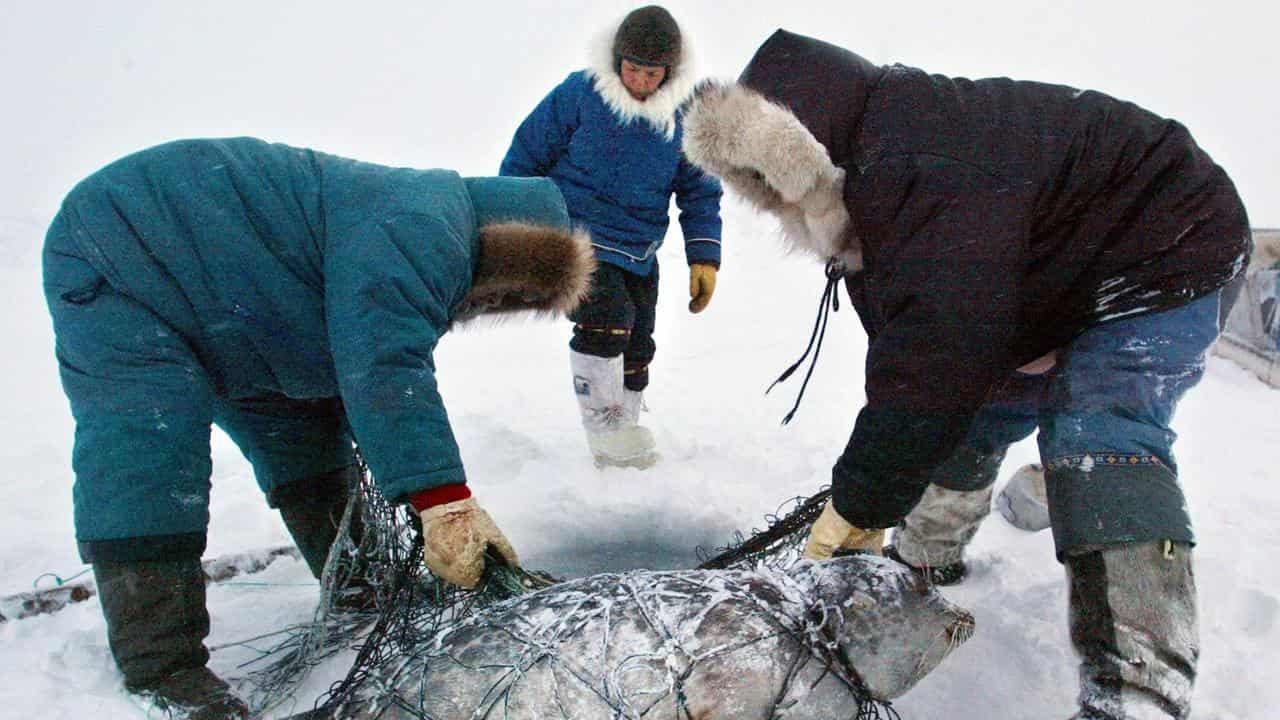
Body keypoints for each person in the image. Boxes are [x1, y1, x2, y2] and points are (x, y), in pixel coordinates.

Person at [682, 30, 1250, 720]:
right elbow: (911, 361)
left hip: (1171, 242)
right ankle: (927, 563)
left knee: (1095, 425)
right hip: (1054, 276)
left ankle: (1139, 689)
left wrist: (861, 506)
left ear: (803, 150)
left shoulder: (922, 165)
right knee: (977, 410)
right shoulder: (878, 181)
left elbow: (933, 355)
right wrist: (877, 496)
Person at [42, 137, 594, 718]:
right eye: (513, 292)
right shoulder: (428, 223)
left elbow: (357, 361)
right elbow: (382, 360)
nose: (495, 303)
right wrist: (443, 500)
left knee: (303, 437)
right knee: (146, 450)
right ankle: (162, 666)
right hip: (123, 258)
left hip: (243, 308)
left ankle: (360, 586)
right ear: (516, 251)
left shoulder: (421, 219)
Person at [499, 5, 723, 468]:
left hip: (639, 250)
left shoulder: (684, 116)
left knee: (638, 343)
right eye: (633, 69)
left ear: (670, 72)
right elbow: (523, 159)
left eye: (652, 72)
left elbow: (700, 189)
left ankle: (626, 434)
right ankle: (604, 436)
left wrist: (705, 256)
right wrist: (512, 235)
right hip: (575, 240)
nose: (640, 80)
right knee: (608, 320)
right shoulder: (579, 94)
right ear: (617, 60)